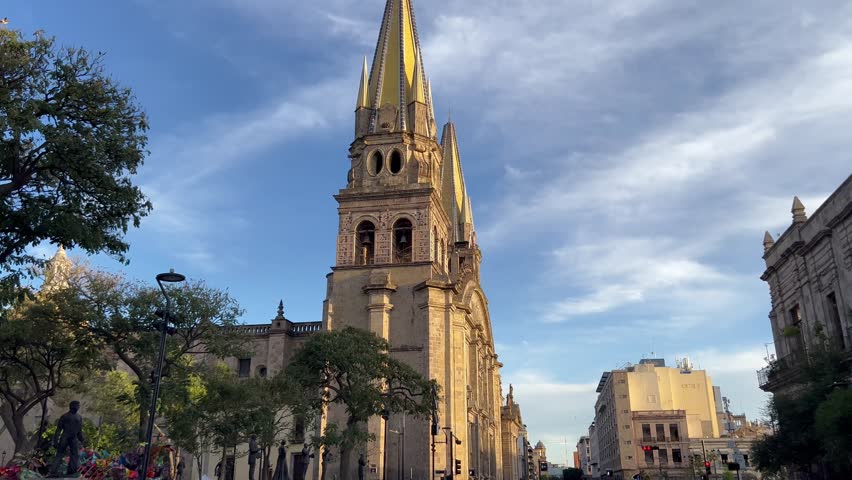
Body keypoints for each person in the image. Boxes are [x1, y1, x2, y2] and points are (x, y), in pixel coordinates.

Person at [50, 401, 85, 477]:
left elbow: (79, 430)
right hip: (65, 437)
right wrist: (55, 441)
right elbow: (58, 429)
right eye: (77, 405)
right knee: (60, 454)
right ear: (72, 406)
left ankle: (71, 472)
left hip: (73, 438)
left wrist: (82, 439)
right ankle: (53, 471)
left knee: (75, 455)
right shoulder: (65, 416)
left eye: (78, 406)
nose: (78, 407)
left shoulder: (79, 417)